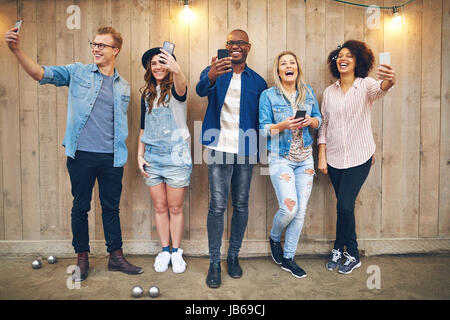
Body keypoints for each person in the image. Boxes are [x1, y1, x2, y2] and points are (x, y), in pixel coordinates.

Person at [4, 26, 143, 281]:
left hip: (112, 157)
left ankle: (116, 256)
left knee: (110, 208)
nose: (96, 48)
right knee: (80, 207)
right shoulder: (77, 72)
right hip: (82, 155)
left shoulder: (123, 86)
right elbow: (40, 73)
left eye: (102, 45)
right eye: (94, 44)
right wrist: (16, 50)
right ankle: (82, 258)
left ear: (116, 50)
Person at [196, 29, 267, 288]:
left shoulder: (258, 82)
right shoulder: (214, 69)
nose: (235, 46)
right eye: (230, 43)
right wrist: (212, 76)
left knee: (241, 203)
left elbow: (262, 118)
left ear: (248, 47)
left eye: (240, 43)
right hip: (218, 147)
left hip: (246, 150)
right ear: (226, 46)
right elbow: (200, 89)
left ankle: (233, 256)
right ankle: (214, 262)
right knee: (217, 205)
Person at [318, 40, 396, 274]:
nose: (343, 58)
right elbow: (324, 126)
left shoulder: (365, 86)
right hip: (333, 158)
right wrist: (321, 155)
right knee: (346, 207)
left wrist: (390, 79)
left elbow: (382, 88)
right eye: (340, 55)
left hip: (360, 157)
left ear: (358, 61)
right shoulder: (328, 92)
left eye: (349, 55)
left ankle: (339, 249)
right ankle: (351, 253)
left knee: (343, 205)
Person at [259, 51, 322, 278]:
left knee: (301, 211)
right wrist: (283, 125)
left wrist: (311, 121)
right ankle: (275, 237)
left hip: (305, 157)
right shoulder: (268, 96)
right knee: (289, 208)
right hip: (280, 157)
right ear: (278, 70)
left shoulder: (308, 92)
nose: (288, 66)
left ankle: (288, 258)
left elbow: (318, 119)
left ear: (297, 68)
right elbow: (263, 128)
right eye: (283, 63)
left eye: (292, 62)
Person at [137, 47, 191, 274]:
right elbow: (143, 128)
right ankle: (165, 250)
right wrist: (139, 155)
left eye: (162, 62)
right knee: (160, 207)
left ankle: (177, 252)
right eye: (153, 63)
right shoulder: (147, 94)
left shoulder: (178, 89)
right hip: (152, 159)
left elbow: (182, 82)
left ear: (170, 64)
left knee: (175, 207)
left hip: (177, 158)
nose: (157, 66)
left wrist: (176, 69)